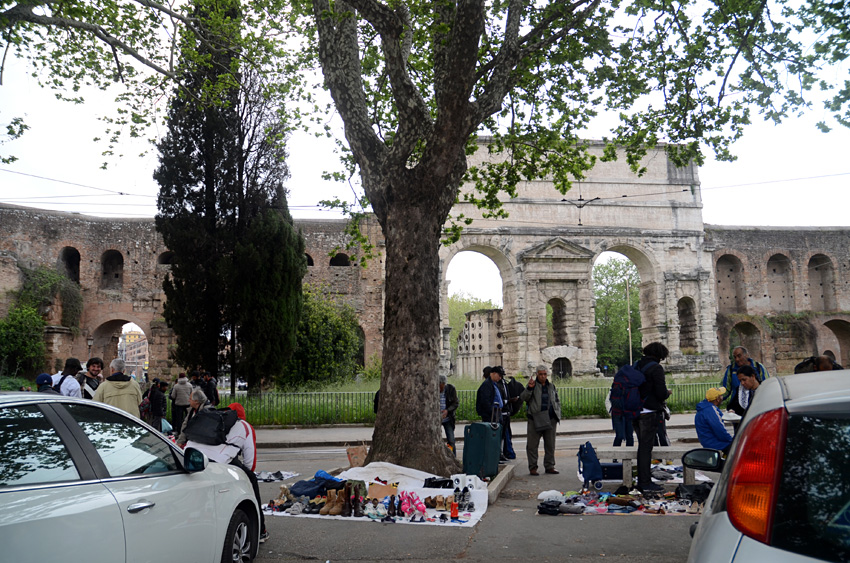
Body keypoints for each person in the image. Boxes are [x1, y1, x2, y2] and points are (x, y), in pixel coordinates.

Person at [185, 403, 268, 543]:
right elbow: (250, 463)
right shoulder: (245, 427)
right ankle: (260, 531)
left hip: (189, 458)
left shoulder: (210, 421)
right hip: (217, 464)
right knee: (251, 479)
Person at [632, 342, 669, 493]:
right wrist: (667, 394)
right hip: (649, 412)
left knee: (642, 446)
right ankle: (645, 482)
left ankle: (643, 479)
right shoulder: (656, 368)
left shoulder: (636, 365)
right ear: (659, 355)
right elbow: (661, 393)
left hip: (634, 411)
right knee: (646, 449)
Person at [520, 365, 561, 476]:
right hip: (535, 419)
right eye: (540, 374)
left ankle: (550, 466)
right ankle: (533, 467)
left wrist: (557, 413)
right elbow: (523, 398)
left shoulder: (551, 386)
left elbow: (556, 400)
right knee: (532, 445)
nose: (543, 376)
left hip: (550, 419)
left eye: (544, 374)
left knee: (550, 444)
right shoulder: (533, 386)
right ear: (537, 374)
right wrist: (529, 388)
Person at [695, 387, 733, 455]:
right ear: (717, 399)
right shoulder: (711, 410)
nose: (722, 397)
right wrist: (732, 440)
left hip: (708, 443)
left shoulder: (704, 408)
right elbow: (720, 430)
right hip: (718, 445)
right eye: (721, 396)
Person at [493, 366, 517, 460]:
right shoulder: (496, 384)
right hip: (501, 411)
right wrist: (508, 401)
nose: (501, 377)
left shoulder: (503, 383)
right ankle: (501, 453)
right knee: (501, 434)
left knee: (506, 434)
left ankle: (505, 452)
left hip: (506, 411)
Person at [439, 374, 459, 455]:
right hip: (437, 418)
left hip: (448, 419)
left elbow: (455, 403)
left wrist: (447, 411)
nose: (441, 388)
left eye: (442, 386)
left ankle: (452, 455)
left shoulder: (451, 389)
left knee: (451, 440)